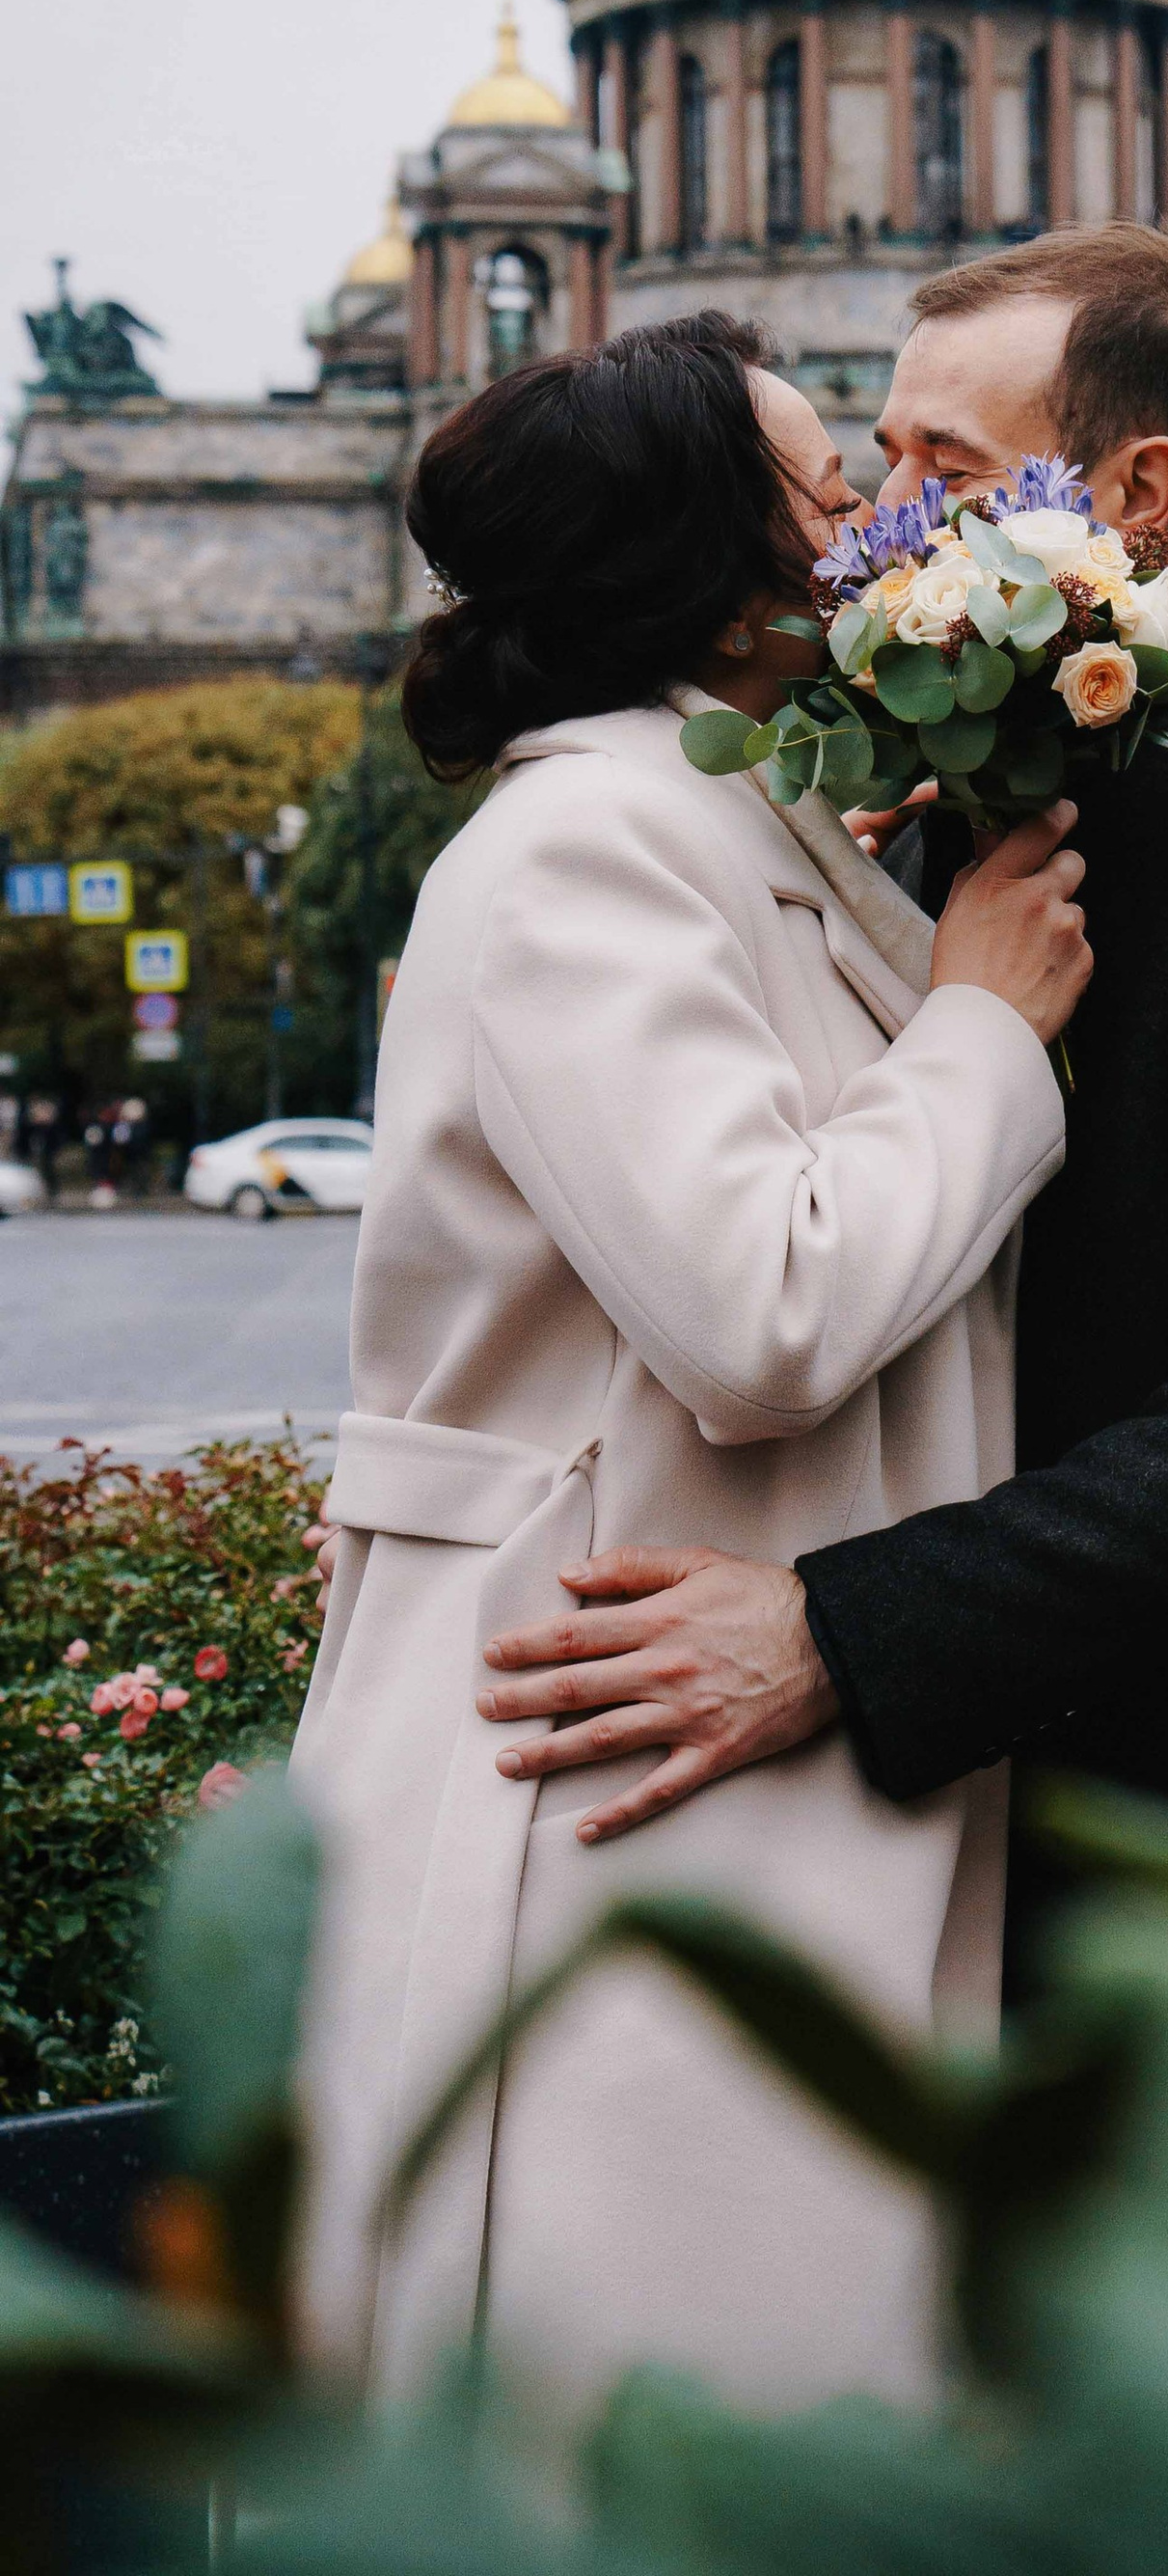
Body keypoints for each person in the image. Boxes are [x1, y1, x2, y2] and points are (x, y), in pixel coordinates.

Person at [475, 228, 1168, 1969]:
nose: (861, 519)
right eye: (874, 455)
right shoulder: (906, 814)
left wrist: (846, 1634)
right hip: (890, 1874)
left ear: (1142, 494)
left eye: (938, 464)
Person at [288, 309, 1089, 2438]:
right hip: (613, 1773)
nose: (880, 532)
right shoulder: (579, 849)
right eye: (832, 496)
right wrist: (989, 1023)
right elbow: (761, 1305)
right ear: (715, 578)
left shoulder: (743, 824)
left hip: (729, 1740)